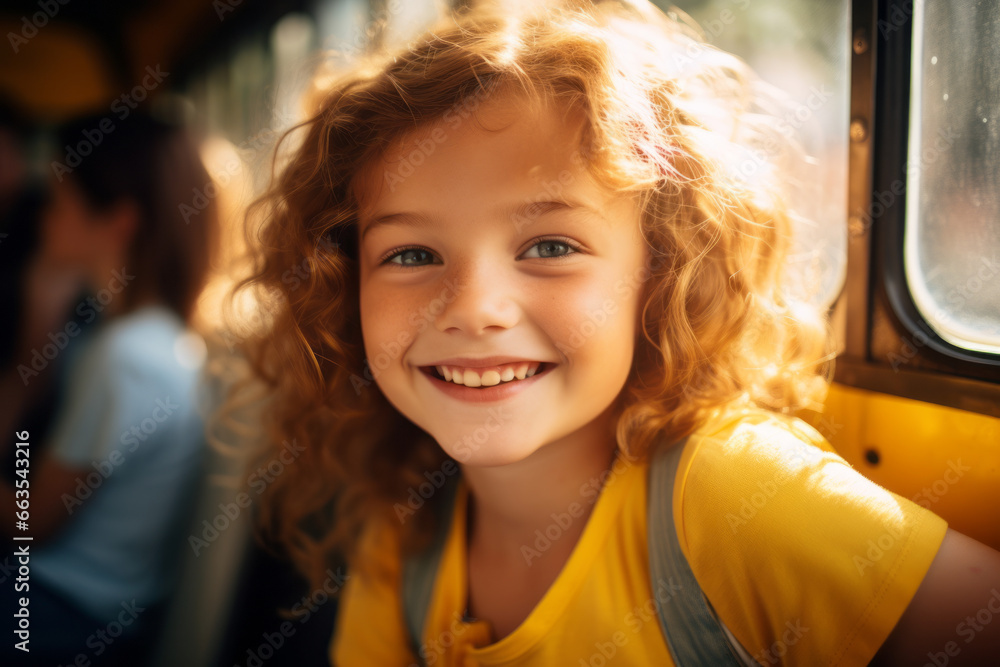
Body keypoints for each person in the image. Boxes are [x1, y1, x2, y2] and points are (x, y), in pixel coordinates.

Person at [224, 1, 1000, 664]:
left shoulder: (732, 495)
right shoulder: (402, 538)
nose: (475, 308)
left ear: (660, 274)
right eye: (412, 255)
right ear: (345, 285)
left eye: (549, 247)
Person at [0, 110, 217, 665]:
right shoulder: (143, 338)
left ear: (118, 221)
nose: (44, 217)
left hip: (57, 614)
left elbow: (28, 526)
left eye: (59, 200)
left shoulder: (125, 359)